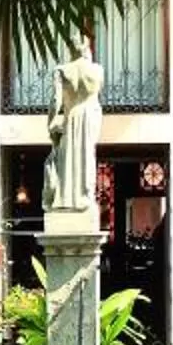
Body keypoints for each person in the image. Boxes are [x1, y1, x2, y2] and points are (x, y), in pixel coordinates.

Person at [43, 35, 104, 216]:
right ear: (86, 48)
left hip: (72, 115)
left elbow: (56, 101)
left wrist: (51, 122)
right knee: (86, 155)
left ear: (70, 48)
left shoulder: (61, 70)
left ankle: (67, 198)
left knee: (68, 157)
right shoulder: (97, 69)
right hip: (91, 114)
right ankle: (84, 197)